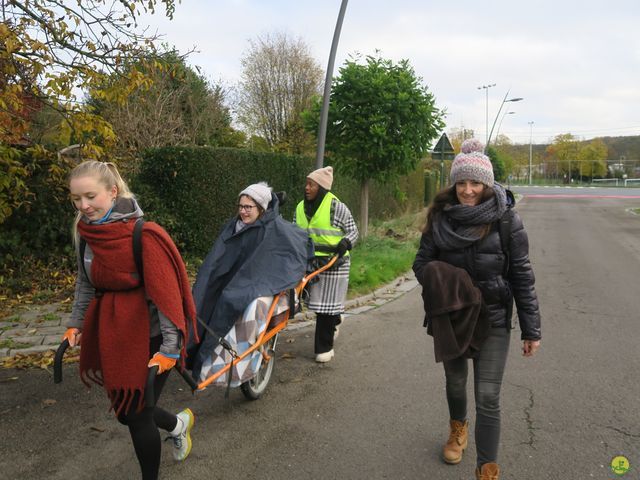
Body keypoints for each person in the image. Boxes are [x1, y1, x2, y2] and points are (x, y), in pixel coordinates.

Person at [412, 139, 541, 480]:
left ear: (488, 184)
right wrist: (446, 279)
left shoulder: (506, 220)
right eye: (461, 183)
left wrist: (532, 329)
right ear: (454, 184)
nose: (468, 190)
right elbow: (421, 263)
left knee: (487, 396)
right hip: (452, 315)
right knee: (455, 384)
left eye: (476, 183)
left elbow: (522, 275)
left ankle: (486, 470)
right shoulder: (441, 217)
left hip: (494, 317)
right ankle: (458, 429)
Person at [64, 160, 198, 480]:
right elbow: (86, 283)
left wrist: (169, 349)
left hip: (152, 336)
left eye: (90, 196)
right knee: (129, 415)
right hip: (115, 333)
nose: (83, 206)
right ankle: (178, 424)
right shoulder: (86, 235)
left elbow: (165, 298)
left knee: (136, 416)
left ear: (112, 192)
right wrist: (77, 323)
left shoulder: (144, 235)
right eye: (76, 199)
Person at [189, 182, 312, 381]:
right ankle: (192, 352)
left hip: (255, 282)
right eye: (241, 207)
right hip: (232, 279)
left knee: (237, 304)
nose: (243, 212)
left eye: (249, 207)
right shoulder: (233, 226)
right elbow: (218, 258)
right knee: (203, 293)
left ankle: (222, 365)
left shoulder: (273, 228)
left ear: (261, 209)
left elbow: (287, 253)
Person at [294, 166, 359, 363]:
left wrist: (346, 242)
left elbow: (353, 231)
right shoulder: (299, 207)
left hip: (335, 263)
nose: (306, 188)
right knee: (313, 303)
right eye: (306, 184)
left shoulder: (336, 207)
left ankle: (324, 349)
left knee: (325, 308)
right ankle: (337, 318)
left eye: (311, 185)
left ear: (321, 187)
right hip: (311, 263)